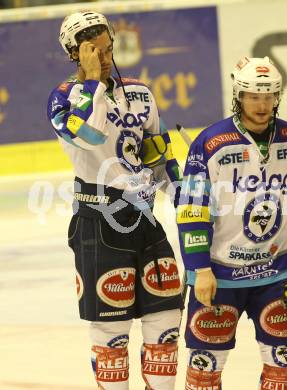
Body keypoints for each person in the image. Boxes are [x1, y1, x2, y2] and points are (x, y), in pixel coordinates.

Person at [176, 56, 287, 389]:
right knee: (205, 371)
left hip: (278, 273)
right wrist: (200, 270)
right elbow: (192, 211)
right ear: (238, 96)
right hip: (220, 275)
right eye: (254, 95)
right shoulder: (210, 143)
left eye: (269, 95)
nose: (262, 103)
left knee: (283, 369)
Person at [47, 11, 184, 390]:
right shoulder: (63, 99)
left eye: (108, 49)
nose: (105, 58)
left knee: (167, 318)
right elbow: (89, 136)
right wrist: (93, 83)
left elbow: (158, 157)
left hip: (144, 221)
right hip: (98, 223)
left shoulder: (140, 92)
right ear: (75, 54)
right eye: (94, 51)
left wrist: (188, 203)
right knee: (112, 332)